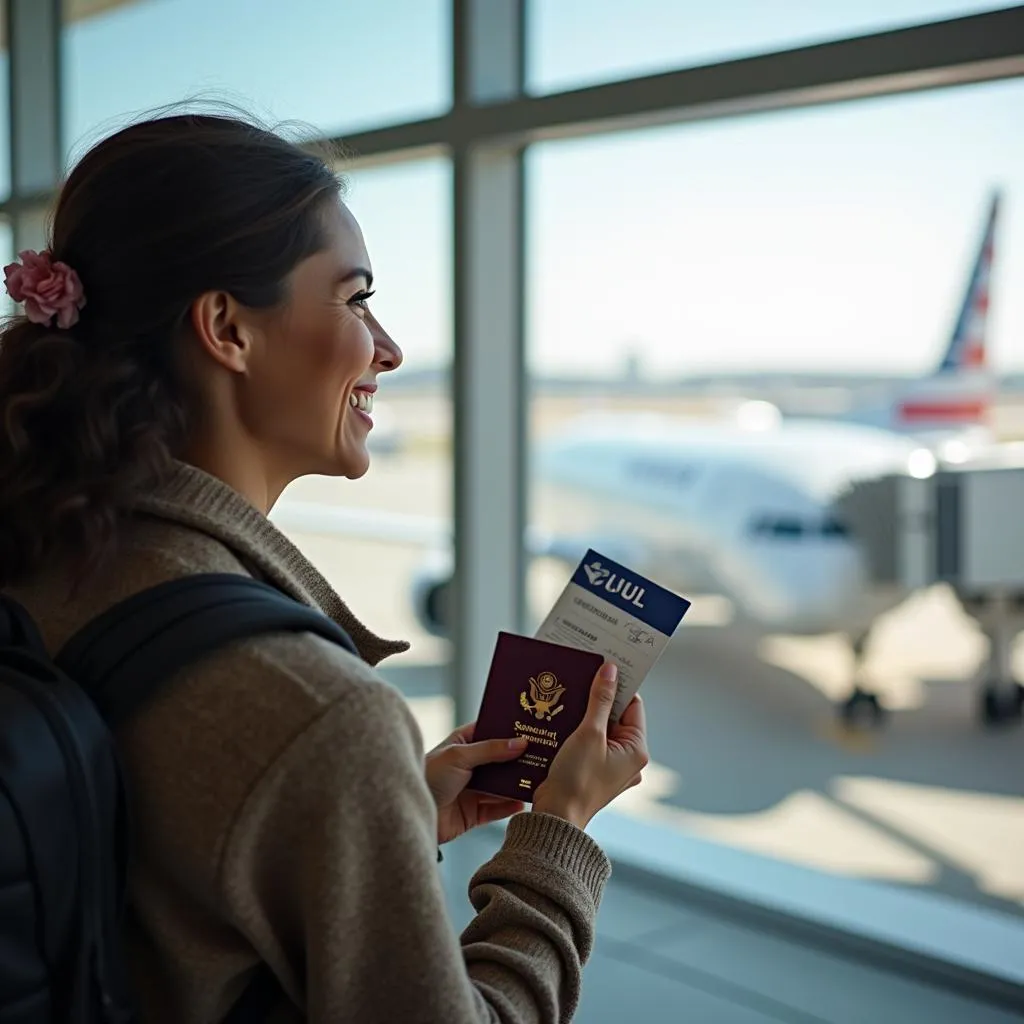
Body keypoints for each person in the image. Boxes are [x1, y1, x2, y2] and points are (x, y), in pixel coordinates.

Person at [0, 111, 649, 1023]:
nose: (389, 348)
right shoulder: (317, 712)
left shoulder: (43, 555)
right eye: (354, 299)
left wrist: (381, 819)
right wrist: (557, 837)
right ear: (227, 327)